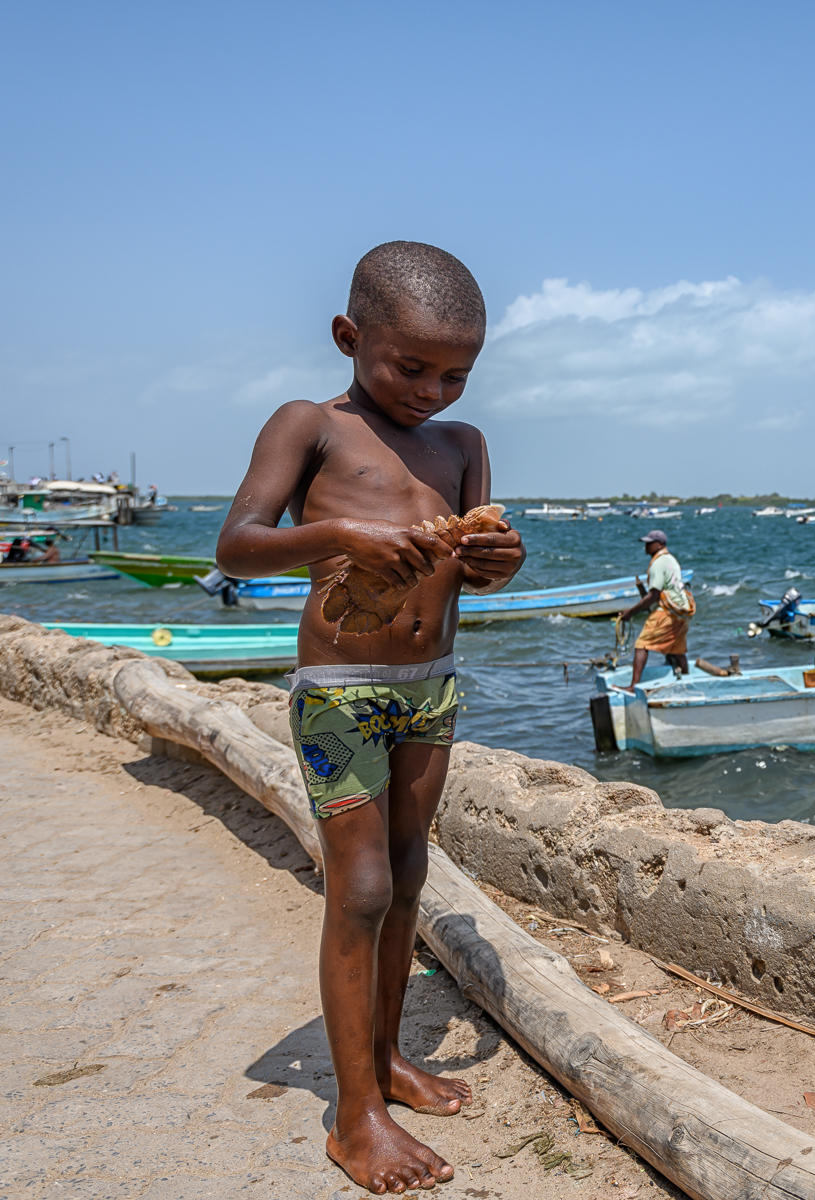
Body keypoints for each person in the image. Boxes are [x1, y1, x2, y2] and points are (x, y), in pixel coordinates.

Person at [215, 241, 525, 1195]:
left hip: (430, 685)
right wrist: (344, 534)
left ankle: (383, 1059)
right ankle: (355, 1119)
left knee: (407, 871)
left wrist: (499, 558)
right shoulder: (311, 425)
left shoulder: (464, 445)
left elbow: (482, 553)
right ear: (350, 337)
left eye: (454, 374)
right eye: (410, 366)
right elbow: (239, 544)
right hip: (342, 690)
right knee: (356, 889)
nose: (432, 390)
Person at [619, 530, 694, 687]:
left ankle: (633, 686)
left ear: (659, 544)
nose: (646, 546)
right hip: (681, 610)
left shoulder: (658, 564)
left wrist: (630, 613)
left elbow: (653, 595)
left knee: (641, 644)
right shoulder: (671, 559)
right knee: (677, 650)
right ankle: (687, 682)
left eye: (649, 543)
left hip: (667, 611)